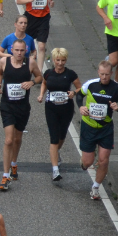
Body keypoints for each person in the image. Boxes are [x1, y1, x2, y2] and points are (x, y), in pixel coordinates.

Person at [77, 61, 118, 199]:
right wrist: (81, 107)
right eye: (102, 74)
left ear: (111, 74)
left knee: (104, 160)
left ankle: (95, 188)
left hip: (105, 128)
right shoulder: (91, 84)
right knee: (88, 162)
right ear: (98, 73)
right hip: (89, 126)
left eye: (107, 74)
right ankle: (85, 163)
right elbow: (79, 95)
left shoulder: (116, 88)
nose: (104, 77)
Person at [0, 39, 42, 191]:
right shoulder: (4, 61)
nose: (19, 53)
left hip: (22, 107)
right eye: (17, 50)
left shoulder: (30, 63)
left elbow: (40, 77)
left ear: (25, 50)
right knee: (8, 140)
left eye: (22, 51)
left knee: (17, 138)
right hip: (7, 106)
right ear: (12, 50)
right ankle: (5, 175)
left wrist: (32, 83)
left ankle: (14, 163)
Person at [39, 48, 81, 182]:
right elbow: (44, 84)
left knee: (62, 136)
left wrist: (74, 93)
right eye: (58, 60)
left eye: (63, 60)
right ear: (53, 60)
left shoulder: (70, 74)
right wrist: (41, 94)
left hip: (66, 109)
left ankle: (56, 153)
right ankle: (55, 170)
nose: (60, 63)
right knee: (54, 137)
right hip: (51, 108)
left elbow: (81, 87)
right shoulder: (48, 73)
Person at [16, 0, 54, 66]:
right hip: (30, 17)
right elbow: (18, 1)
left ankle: (39, 73)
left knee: (41, 46)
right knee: (25, 44)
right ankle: (23, 67)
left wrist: (50, 1)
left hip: (44, 17)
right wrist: (30, 0)